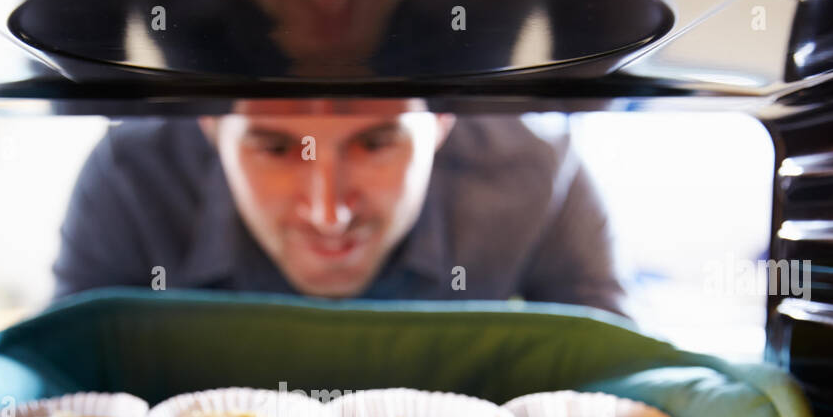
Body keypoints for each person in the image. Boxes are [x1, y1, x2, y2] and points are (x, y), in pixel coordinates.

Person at [53, 99, 629, 317]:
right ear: (210, 124)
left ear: (442, 121)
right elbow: (62, 374)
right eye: (276, 148)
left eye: (375, 143)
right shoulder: (130, 177)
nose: (328, 213)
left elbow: (617, 378)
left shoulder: (537, 172)